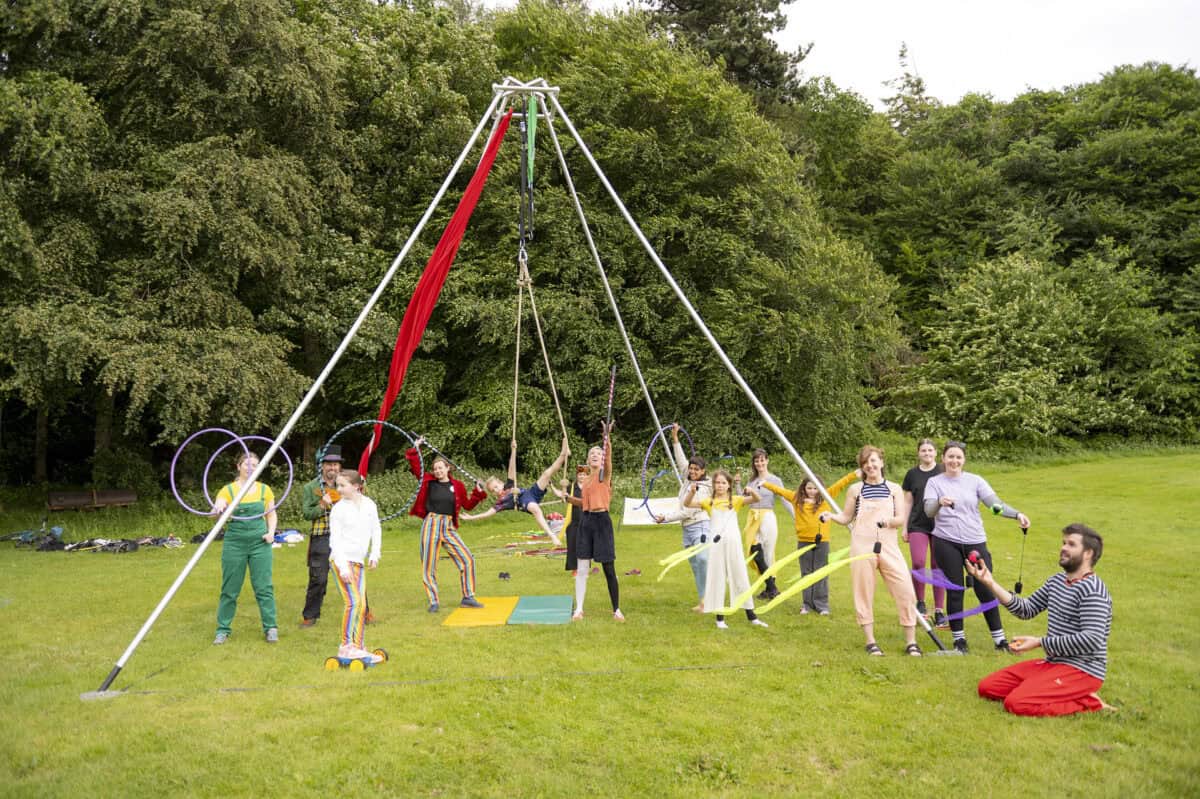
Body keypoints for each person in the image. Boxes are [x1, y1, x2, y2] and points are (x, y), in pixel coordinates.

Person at [967, 523, 1112, 716]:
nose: (1063, 548)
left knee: (1017, 704)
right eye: (1063, 543)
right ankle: (1046, 687)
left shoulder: (1093, 590)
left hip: (1083, 670)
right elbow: (1025, 610)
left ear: (1088, 553)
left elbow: (1092, 639)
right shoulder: (1057, 582)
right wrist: (990, 583)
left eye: (1071, 544)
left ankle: (1089, 702)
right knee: (987, 688)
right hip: (1054, 663)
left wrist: (1039, 642)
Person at [923, 440, 1030, 654]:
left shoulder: (975, 481)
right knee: (955, 591)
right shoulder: (934, 482)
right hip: (946, 542)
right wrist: (939, 502)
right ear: (943, 459)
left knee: (985, 588)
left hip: (975, 541)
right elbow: (928, 511)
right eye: (950, 456)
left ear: (964, 460)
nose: (954, 460)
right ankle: (959, 642)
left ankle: (1000, 640)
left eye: (958, 457)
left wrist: (1016, 514)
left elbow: (994, 506)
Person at [822, 446, 920, 656]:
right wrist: (831, 516)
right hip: (862, 545)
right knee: (863, 592)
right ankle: (870, 641)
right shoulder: (855, 490)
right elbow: (846, 517)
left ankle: (911, 642)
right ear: (862, 467)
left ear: (881, 463)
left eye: (874, 461)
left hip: (888, 545)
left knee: (905, 590)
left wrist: (888, 522)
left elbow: (901, 518)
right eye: (866, 463)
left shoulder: (894, 489)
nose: (870, 465)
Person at [406, 437, 489, 613]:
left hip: (449, 526)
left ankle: (468, 597)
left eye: (440, 468)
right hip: (431, 524)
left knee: (467, 559)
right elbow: (416, 467)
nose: (437, 471)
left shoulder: (457, 485)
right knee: (429, 564)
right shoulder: (428, 481)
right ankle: (434, 601)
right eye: (435, 469)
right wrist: (416, 447)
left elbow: (467, 505)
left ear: (447, 468)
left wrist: (478, 492)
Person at [763, 467, 858, 615]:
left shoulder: (826, 497)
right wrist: (765, 484)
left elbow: (840, 484)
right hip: (803, 542)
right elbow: (780, 491)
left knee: (821, 573)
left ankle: (821, 605)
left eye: (815, 488)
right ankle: (806, 604)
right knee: (806, 573)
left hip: (822, 542)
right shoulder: (796, 499)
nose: (812, 491)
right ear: (804, 488)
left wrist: (853, 475)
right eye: (809, 487)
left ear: (820, 488)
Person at [685, 469, 768, 629]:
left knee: (740, 577)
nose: (720, 485)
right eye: (717, 483)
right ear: (713, 485)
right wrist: (692, 492)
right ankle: (720, 619)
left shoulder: (735, 500)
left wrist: (751, 490)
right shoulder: (709, 501)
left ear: (729, 485)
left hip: (734, 545)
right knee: (718, 578)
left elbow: (757, 499)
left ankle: (752, 616)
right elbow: (687, 504)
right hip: (716, 546)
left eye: (723, 483)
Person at [211, 451, 278, 645]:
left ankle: (271, 627)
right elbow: (216, 513)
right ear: (238, 466)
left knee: (264, 587)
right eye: (247, 464)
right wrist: (219, 506)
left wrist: (271, 532)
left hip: (260, 542)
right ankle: (222, 630)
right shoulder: (228, 490)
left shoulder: (265, 490)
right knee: (230, 588)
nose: (251, 468)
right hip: (235, 543)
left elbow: (271, 514)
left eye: (255, 465)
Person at [462, 437, 570, 546]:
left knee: (546, 474)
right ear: (493, 494)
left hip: (531, 493)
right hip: (524, 501)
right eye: (493, 490)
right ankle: (552, 536)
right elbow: (487, 514)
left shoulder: (508, 484)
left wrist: (513, 450)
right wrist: (472, 518)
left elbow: (511, 467)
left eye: (496, 486)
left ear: (500, 482)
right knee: (535, 509)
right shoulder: (501, 502)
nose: (496, 490)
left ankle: (563, 454)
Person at [652, 423, 712, 611]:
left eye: (696, 470)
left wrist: (665, 518)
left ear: (703, 471)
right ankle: (703, 600)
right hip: (686, 529)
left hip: (700, 525)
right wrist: (675, 438)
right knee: (695, 565)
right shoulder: (688, 479)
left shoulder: (704, 487)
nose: (692, 472)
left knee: (703, 559)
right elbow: (680, 460)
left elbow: (688, 511)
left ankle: (710, 596)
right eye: (691, 469)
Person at [567, 422, 623, 621]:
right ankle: (579, 609)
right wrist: (568, 498)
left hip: (602, 522)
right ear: (587, 459)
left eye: (598, 454)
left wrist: (606, 438)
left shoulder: (604, 475)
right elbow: (583, 503)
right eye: (592, 453)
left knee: (608, 567)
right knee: (582, 568)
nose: (595, 455)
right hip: (586, 521)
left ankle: (616, 609)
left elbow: (608, 461)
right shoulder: (586, 480)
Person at [328, 469, 383, 664]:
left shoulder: (369, 505)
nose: (339, 489)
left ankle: (359, 646)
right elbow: (335, 540)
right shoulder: (338, 509)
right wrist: (343, 567)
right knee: (353, 602)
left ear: (356, 486)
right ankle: (345, 646)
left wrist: (375, 553)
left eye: (343, 485)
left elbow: (376, 529)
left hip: (359, 561)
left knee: (362, 605)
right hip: (342, 560)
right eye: (338, 485)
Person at [902, 438, 947, 627]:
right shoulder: (912, 474)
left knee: (938, 565)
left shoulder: (944, 471)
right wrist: (904, 526)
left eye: (930, 450)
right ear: (918, 453)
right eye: (923, 451)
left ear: (936, 453)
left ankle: (939, 610)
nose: (927, 454)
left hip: (941, 525)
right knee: (919, 561)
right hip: (917, 525)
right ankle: (920, 602)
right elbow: (907, 502)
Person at [299, 444, 343, 629]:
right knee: (318, 578)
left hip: (344, 536)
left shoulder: (346, 484)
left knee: (352, 573)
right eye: (329, 464)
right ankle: (310, 616)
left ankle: (363, 612)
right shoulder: (311, 487)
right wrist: (321, 506)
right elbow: (306, 513)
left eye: (336, 464)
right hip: (321, 536)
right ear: (322, 465)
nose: (332, 468)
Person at [740, 449, 791, 600]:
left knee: (768, 552)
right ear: (754, 463)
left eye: (762, 460)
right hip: (752, 516)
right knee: (754, 550)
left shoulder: (775, 480)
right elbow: (743, 499)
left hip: (767, 516)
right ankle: (772, 588)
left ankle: (770, 587)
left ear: (767, 461)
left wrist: (797, 517)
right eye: (757, 461)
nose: (759, 463)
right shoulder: (752, 481)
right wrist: (738, 486)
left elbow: (785, 499)